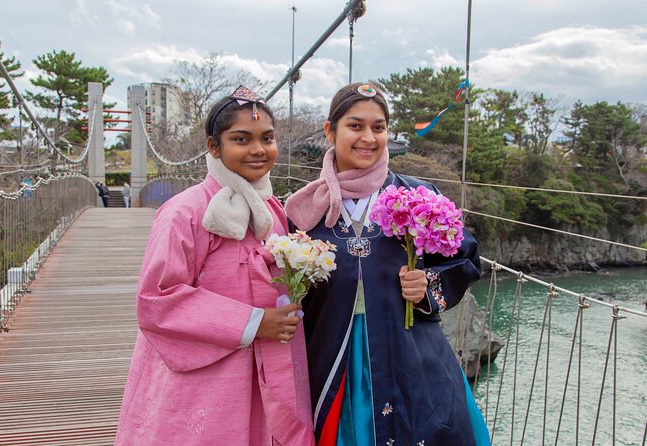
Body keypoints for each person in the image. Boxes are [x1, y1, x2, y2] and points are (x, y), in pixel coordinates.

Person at [285, 83, 490, 445]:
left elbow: (466, 257)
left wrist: (428, 285)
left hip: (412, 355)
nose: (368, 137)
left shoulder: (418, 196)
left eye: (378, 128)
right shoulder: (303, 210)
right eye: (355, 126)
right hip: (333, 358)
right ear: (329, 131)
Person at [114, 86, 315, 446]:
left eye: (266, 138)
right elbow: (156, 301)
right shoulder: (184, 211)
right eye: (241, 139)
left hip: (266, 366)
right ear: (213, 146)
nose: (258, 149)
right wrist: (253, 323)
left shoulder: (273, 211)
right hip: (206, 377)